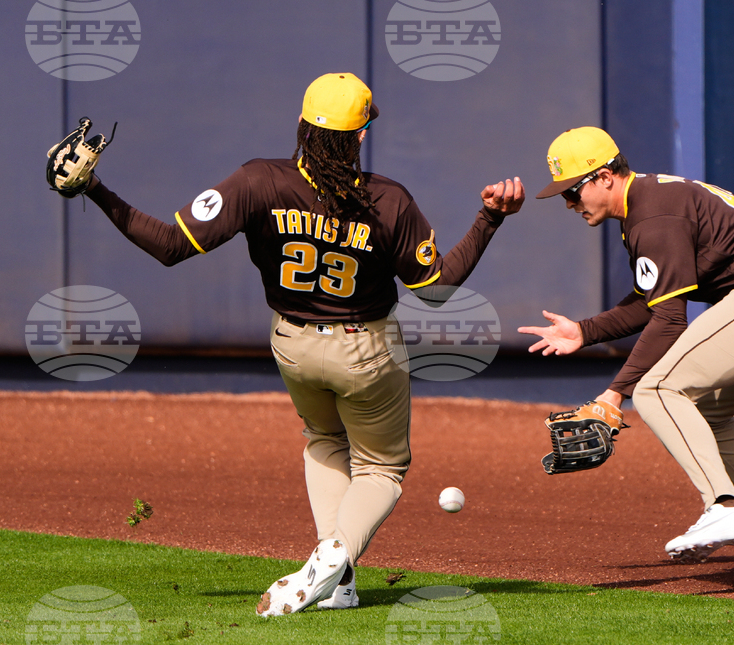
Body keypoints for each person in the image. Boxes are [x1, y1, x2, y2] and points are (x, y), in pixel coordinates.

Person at [77, 73, 525, 613]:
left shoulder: (257, 181)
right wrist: (489, 219)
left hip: (292, 343)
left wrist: (96, 189)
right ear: (360, 137)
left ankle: (340, 584)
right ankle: (335, 554)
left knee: (323, 440)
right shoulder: (387, 200)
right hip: (366, 348)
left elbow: (170, 245)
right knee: (382, 468)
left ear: (302, 127)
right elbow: (438, 288)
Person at [519, 126, 734, 579]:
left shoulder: (652, 218)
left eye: (573, 192)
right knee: (707, 412)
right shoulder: (651, 204)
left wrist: (615, 395)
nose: (570, 204)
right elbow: (651, 304)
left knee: (656, 391)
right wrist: (584, 331)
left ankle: (725, 505)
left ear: (606, 176)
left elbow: (669, 321)